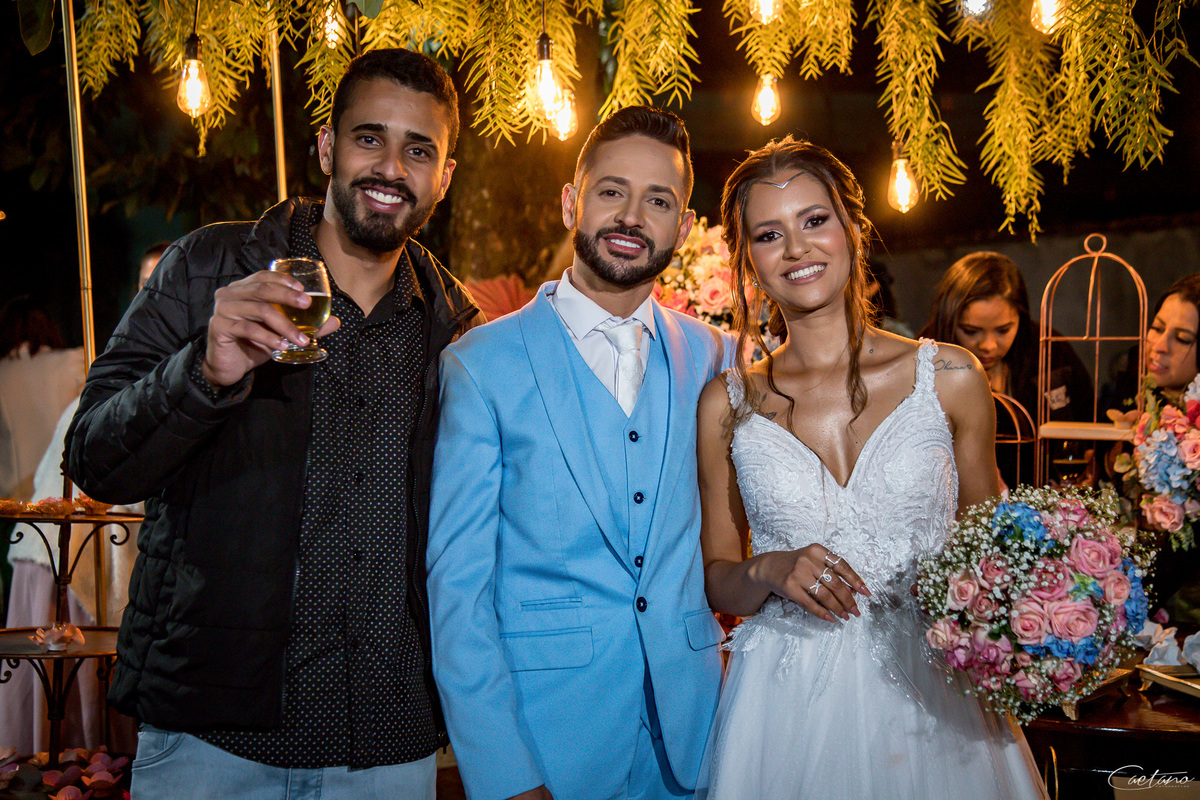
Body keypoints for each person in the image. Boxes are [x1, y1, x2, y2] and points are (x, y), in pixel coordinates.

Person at [64, 48, 482, 798]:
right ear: (326, 147)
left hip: (387, 746)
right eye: (369, 138)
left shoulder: (455, 328)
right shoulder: (210, 268)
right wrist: (202, 372)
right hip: (214, 740)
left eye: (418, 150)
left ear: (444, 176)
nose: (390, 168)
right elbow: (94, 461)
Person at [695, 137, 1047, 799]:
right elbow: (719, 581)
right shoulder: (728, 403)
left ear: (854, 229)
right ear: (748, 260)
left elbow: (992, 558)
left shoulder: (951, 376)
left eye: (815, 220)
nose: (797, 248)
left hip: (936, 700)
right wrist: (769, 569)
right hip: (785, 707)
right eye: (769, 234)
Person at [427, 106, 734, 800]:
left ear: (684, 226)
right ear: (572, 203)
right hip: (547, 744)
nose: (632, 216)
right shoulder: (480, 366)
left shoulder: (716, 356)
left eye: (658, 201)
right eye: (611, 191)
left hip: (698, 740)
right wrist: (504, 774)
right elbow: (458, 593)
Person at [919, 252, 1094, 488]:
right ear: (948, 321)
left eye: (1003, 330)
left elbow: (1089, 420)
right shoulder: (924, 359)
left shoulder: (1049, 350)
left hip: (1048, 498)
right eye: (971, 331)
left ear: (1021, 316)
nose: (988, 345)